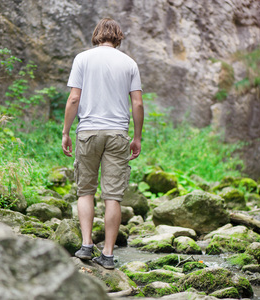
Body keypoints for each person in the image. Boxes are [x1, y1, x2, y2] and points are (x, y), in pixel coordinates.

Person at [61, 18, 144, 269]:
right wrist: (137, 137)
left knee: (85, 190)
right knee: (113, 196)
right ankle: (107, 254)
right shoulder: (129, 63)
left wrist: (65, 131)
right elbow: (138, 104)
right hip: (118, 134)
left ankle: (87, 245)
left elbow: (74, 98)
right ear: (118, 37)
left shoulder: (82, 59)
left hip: (87, 132)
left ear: (97, 35)